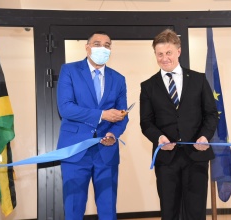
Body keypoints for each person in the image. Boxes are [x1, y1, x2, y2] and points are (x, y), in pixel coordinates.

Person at [140, 29, 218, 220]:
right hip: (166, 160)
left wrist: (204, 136)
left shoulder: (198, 79)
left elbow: (211, 114)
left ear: (178, 52)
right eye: (160, 54)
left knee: (196, 211)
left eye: (168, 53)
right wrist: (159, 137)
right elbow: (146, 122)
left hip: (197, 156)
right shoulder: (148, 86)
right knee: (169, 211)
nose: (164, 58)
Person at [56, 31, 129, 220]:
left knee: (108, 210)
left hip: (107, 152)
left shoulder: (118, 79)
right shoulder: (69, 70)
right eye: (97, 44)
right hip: (75, 150)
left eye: (107, 45)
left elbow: (123, 115)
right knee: (73, 209)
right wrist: (102, 115)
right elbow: (65, 108)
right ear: (87, 47)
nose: (102, 48)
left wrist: (113, 134)